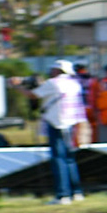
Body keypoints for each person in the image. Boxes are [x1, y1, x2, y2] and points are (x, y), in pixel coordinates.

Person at [33, 60, 87, 204]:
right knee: (69, 159)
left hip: (56, 123)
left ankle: (62, 194)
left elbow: (33, 95)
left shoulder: (53, 83)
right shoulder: (75, 84)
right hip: (72, 124)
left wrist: (16, 86)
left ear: (58, 70)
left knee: (58, 159)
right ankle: (76, 192)